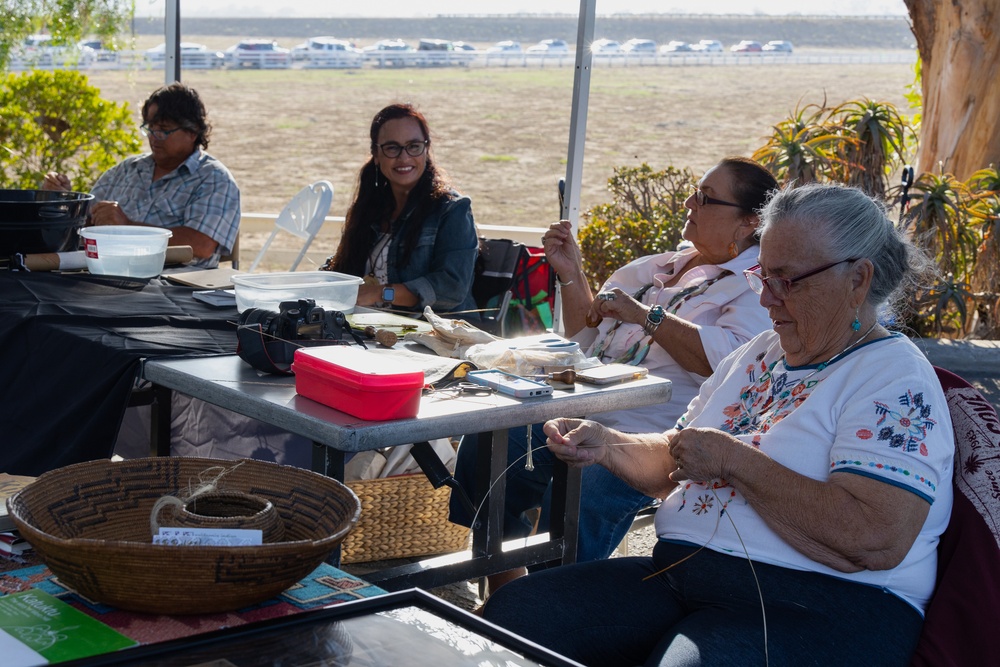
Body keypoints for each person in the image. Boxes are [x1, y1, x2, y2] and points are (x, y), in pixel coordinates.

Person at [482, 182, 955, 667]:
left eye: (787, 281)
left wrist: (736, 461)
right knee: (513, 615)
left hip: (822, 605)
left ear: (858, 280)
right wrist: (607, 445)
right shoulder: (758, 354)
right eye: (762, 276)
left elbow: (877, 537)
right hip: (682, 577)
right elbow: (676, 454)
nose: (767, 299)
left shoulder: (892, 376)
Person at [450, 157, 778, 586]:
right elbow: (583, 339)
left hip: (652, 432)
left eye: (704, 198)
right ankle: (505, 588)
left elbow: (725, 363)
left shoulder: (753, 286)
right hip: (581, 405)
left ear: (748, 221)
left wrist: (647, 316)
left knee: (582, 489)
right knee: (491, 439)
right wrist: (571, 273)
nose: (688, 203)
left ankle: (552, 607)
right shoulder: (651, 268)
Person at [43, 82, 240, 269]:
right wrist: (63, 201)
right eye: (149, 128)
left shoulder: (214, 179)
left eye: (163, 130)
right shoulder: (126, 170)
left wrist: (127, 227)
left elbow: (201, 245)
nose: (154, 137)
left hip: (177, 286)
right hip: (107, 275)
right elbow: (85, 225)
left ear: (193, 131)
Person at [321, 103, 478, 316]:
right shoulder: (370, 207)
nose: (404, 158)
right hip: (366, 329)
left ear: (426, 149)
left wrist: (379, 294)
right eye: (392, 148)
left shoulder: (452, 209)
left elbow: (451, 288)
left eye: (413, 146)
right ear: (376, 154)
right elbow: (344, 272)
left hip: (433, 337)